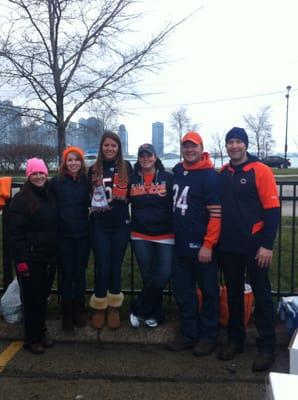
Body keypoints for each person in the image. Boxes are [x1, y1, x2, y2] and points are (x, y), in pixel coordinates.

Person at [217, 127, 280, 372]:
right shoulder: (223, 173)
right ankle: (236, 340)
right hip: (228, 246)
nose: (234, 146)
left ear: (245, 144)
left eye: (238, 142)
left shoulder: (261, 170)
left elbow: (273, 211)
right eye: (230, 142)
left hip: (255, 247)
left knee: (262, 296)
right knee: (233, 295)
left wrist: (267, 245)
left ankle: (267, 347)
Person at [166, 131, 221, 357]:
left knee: (209, 292)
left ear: (201, 148)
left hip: (202, 247)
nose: (189, 150)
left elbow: (216, 215)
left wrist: (208, 244)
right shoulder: (178, 170)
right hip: (180, 244)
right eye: (186, 146)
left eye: (193, 146)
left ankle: (209, 337)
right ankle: (188, 334)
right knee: (183, 292)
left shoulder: (210, 176)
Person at [9, 158, 57, 354]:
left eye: (42, 173)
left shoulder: (50, 195)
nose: (39, 176)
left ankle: (42, 331)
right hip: (30, 257)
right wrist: (21, 260)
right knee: (31, 299)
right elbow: (15, 233)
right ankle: (32, 338)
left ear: (46, 174)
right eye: (34, 173)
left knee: (42, 297)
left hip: (48, 255)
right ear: (29, 176)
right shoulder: (21, 200)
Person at [88, 131, 131, 329]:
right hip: (100, 225)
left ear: (118, 148)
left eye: (113, 145)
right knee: (102, 267)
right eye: (106, 145)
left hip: (121, 224)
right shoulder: (93, 169)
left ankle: (114, 307)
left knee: (115, 267)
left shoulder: (126, 167)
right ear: (101, 147)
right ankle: (99, 306)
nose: (110, 148)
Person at [129, 143, 174, 328]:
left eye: (149, 155)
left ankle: (139, 308)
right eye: (142, 156)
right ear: (138, 159)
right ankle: (154, 314)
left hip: (165, 234)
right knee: (148, 277)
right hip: (140, 234)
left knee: (163, 274)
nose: (145, 159)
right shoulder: (132, 179)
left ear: (155, 157)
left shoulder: (167, 178)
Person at [49, 147, 90, 331]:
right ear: (64, 162)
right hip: (63, 235)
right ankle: (66, 312)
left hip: (82, 235)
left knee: (80, 275)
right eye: (70, 160)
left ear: (81, 162)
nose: (73, 163)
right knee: (66, 275)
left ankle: (79, 309)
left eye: (77, 159)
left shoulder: (86, 181)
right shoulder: (56, 182)